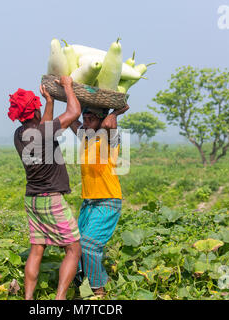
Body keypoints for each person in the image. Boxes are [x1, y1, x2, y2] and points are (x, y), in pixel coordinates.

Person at [9, 76, 82, 300]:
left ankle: (29, 298)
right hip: (51, 199)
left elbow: (44, 128)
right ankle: (59, 300)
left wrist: (49, 102)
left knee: (37, 248)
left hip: (32, 199)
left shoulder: (20, 135)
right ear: (36, 112)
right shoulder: (43, 133)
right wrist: (68, 86)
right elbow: (74, 113)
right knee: (73, 249)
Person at [69, 104, 129, 297]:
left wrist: (116, 112)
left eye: (90, 120)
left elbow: (110, 124)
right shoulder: (85, 136)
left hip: (107, 200)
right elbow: (71, 119)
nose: (85, 124)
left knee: (89, 245)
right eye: (84, 119)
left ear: (100, 120)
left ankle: (98, 291)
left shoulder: (110, 138)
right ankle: (83, 283)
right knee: (75, 244)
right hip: (89, 203)